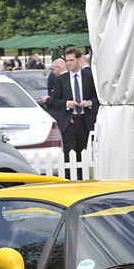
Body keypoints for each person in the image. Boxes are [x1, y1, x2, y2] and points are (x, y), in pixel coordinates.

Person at [49, 48, 98, 179]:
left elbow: (97, 98)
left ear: (79, 60)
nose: (69, 63)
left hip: (84, 120)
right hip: (68, 121)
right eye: (67, 61)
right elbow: (54, 100)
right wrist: (67, 104)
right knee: (69, 152)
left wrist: (89, 103)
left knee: (82, 151)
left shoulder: (89, 78)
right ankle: (69, 178)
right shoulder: (61, 79)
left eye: (71, 60)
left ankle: (81, 179)